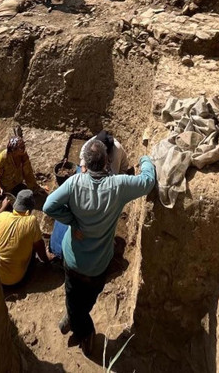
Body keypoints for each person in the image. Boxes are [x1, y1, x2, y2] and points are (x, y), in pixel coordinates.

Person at [43, 140, 156, 357]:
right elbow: (147, 181)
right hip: (98, 264)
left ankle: (80, 324)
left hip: (73, 258)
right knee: (88, 296)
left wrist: (72, 221)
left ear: (84, 162)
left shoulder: (74, 182)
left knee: (73, 293)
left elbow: (49, 206)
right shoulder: (119, 186)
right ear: (107, 162)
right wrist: (145, 159)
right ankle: (80, 323)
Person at [0, 189, 54, 286]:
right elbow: (40, 248)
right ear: (30, 208)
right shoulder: (30, 221)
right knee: (34, 243)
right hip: (16, 280)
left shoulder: (1, 217)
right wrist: (47, 259)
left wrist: (3, 207)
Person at [0, 137, 45, 213]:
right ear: (13, 150)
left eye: (24, 146)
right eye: (21, 147)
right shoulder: (4, 157)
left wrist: (35, 187)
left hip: (8, 186)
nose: (24, 149)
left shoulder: (23, 156)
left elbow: (28, 172)